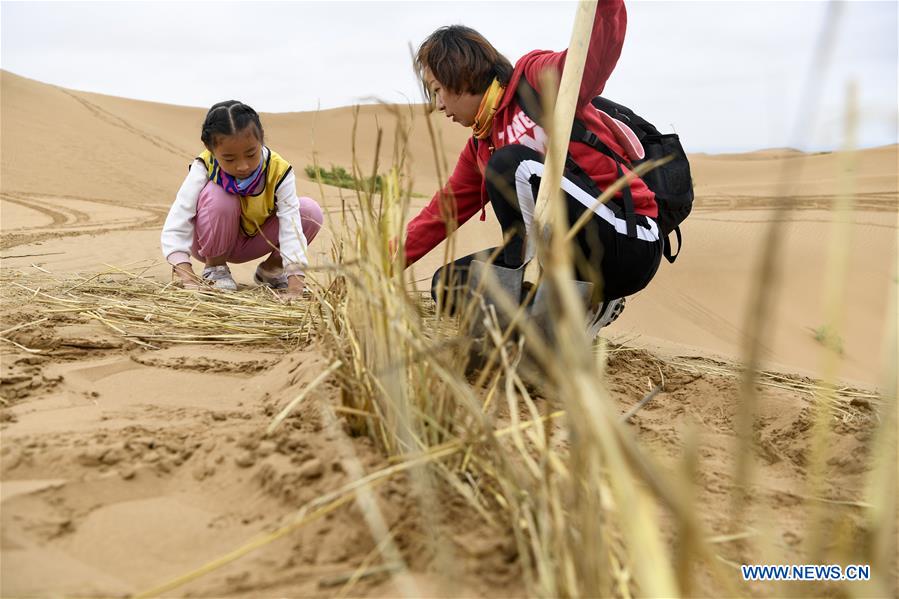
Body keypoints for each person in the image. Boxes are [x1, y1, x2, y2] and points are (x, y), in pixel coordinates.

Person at [402, 0, 660, 338]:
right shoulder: (481, 145)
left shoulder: (534, 82)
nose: (437, 105)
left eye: (437, 90)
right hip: (564, 255)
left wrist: (606, 5)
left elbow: (591, 57)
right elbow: (440, 215)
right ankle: (557, 308)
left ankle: (547, 316)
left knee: (512, 164)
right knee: (450, 284)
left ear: (459, 75)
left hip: (626, 238)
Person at [161, 100, 323, 298]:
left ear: (261, 139)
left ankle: (271, 272)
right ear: (210, 149)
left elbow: (292, 227)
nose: (243, 166)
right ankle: (215, 269)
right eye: (229, 159)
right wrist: (187, 278)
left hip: (255, 240)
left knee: (310, 212)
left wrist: (296, 287)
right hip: (207, 243)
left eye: (251, 154)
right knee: (220, 196)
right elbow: (179, 218)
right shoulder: (204, 165)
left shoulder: (280, 171)